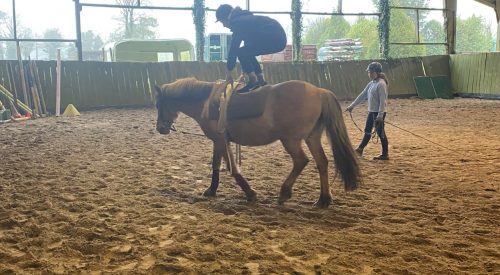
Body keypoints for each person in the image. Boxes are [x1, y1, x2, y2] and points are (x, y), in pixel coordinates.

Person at [215, 4, 287, 93]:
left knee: (241, 51)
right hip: (278, 38)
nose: (224, 26)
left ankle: (253, 80)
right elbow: (247, 51)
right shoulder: (246, 20)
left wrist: (229, 71)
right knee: (246, 51)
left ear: (226, 17)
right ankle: (260, 80)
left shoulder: (238, 22)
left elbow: (234, 47)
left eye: (222, 22)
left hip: (273, 35)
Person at [346, 62, 390, 160]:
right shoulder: (372, 83)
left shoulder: (381, 84)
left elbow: (383, 101)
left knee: (380, 133)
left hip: (378, 112)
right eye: (369, 72)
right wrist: (352, 106)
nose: (369, 74)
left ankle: (385, 154)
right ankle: (360, 149)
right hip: (372, 111)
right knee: (367, 130)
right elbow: (363, 95)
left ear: (377, 72)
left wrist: (380, 115)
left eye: (371, 72)